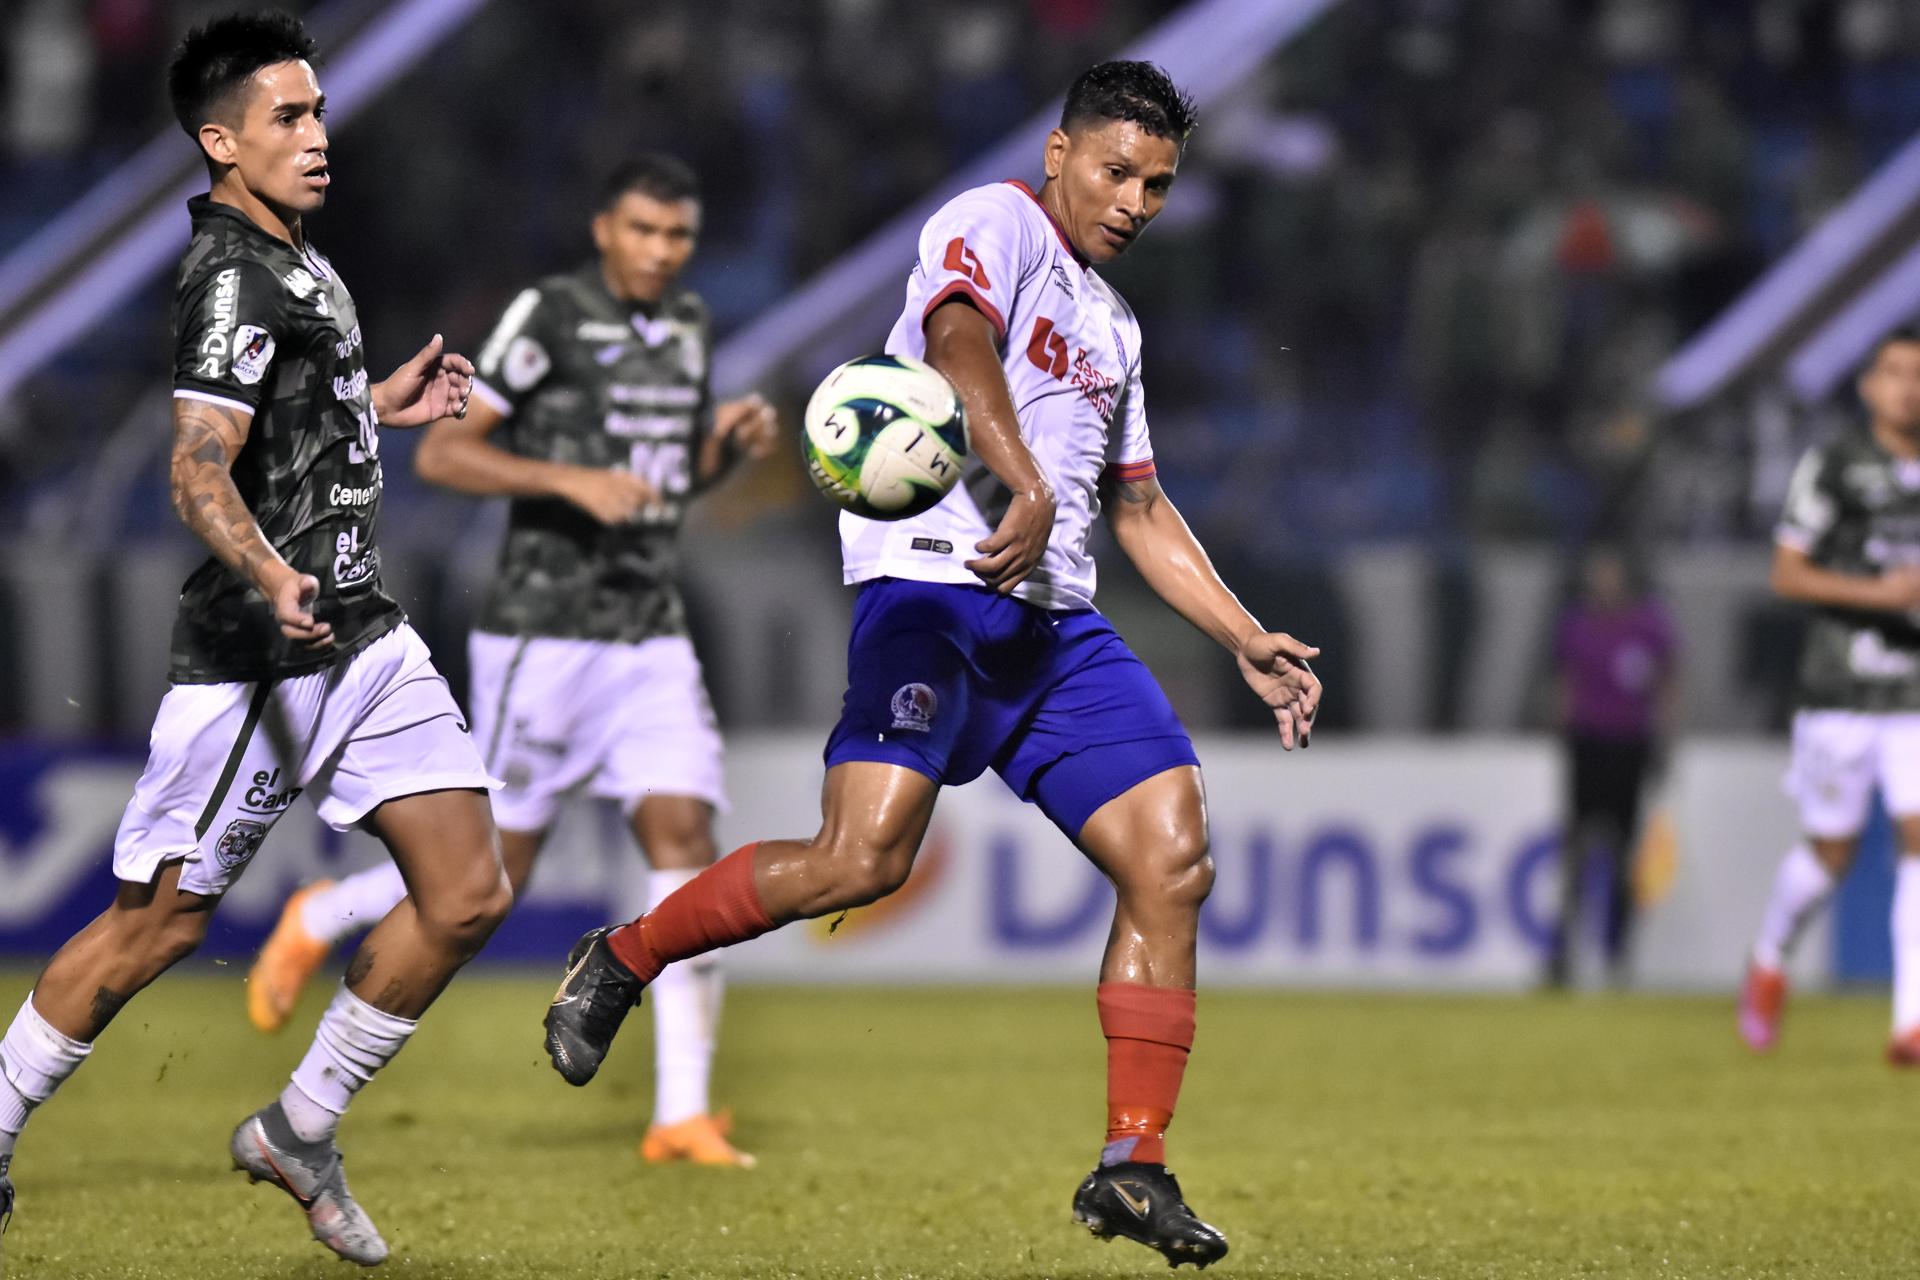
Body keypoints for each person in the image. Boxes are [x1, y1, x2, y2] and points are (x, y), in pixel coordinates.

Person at [542, 61, 1321, 1270]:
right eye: (1116, 170)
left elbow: (1144, 507)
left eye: (1157, 184)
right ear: (1061, 152)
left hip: (1057, 626)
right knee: (861, 858)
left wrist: (1243, 632)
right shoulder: (991, 221)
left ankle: (1133, 1162)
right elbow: (961, 341)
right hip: (934, 589)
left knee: (1174, 856)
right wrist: (1017, 472)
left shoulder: (1116, 327)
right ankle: (628, 953)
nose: (1133, 199)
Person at [0, 14, 509, 1265]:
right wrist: (271, 569)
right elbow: (195, 462)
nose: (319, 136)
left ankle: (302, 1121)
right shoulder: (231, 274)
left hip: (362, 633)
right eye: (288, 117)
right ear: (220, 141)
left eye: (320, 110)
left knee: (467, 890)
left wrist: (371, 402)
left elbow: (288, 427)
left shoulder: (302, 262)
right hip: (261, 652)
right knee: (155, 929)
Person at [244, 155, 776, 1167]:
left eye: (678, 236)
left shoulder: (692, 331)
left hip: (650, 629)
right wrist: (568, 481)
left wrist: (724, 451)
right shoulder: (550, 315)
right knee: (498, 867)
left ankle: (680, 1110)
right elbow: (447, 451)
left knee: (684, 833)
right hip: (545, 631)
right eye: (643, 231)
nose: (661, 252)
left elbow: (659, 483)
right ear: (605, 228)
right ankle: (323, 911)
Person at [1740, 328, 1920, 1065]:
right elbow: (1787, 574)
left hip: (1915, 690)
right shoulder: (1839, 464)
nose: (1908, 386)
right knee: (1831, 856)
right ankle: (1771, 952)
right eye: (1895, 372)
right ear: (1868, 387)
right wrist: (1878, 596)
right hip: (1840, 688)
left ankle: (1910, 1020)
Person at [1544, 543, 1677, 987]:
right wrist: (1563, 732)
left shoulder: (1648, 625)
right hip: (1587, 745)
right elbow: (1566, 684)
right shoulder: (1578, 626)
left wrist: (1664, 738)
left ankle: (1617, 955)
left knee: (1622, 853)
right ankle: (1564, 955)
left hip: (1629, 747)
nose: (1603, 583)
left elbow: (1668, 683)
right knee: (1578, 851)